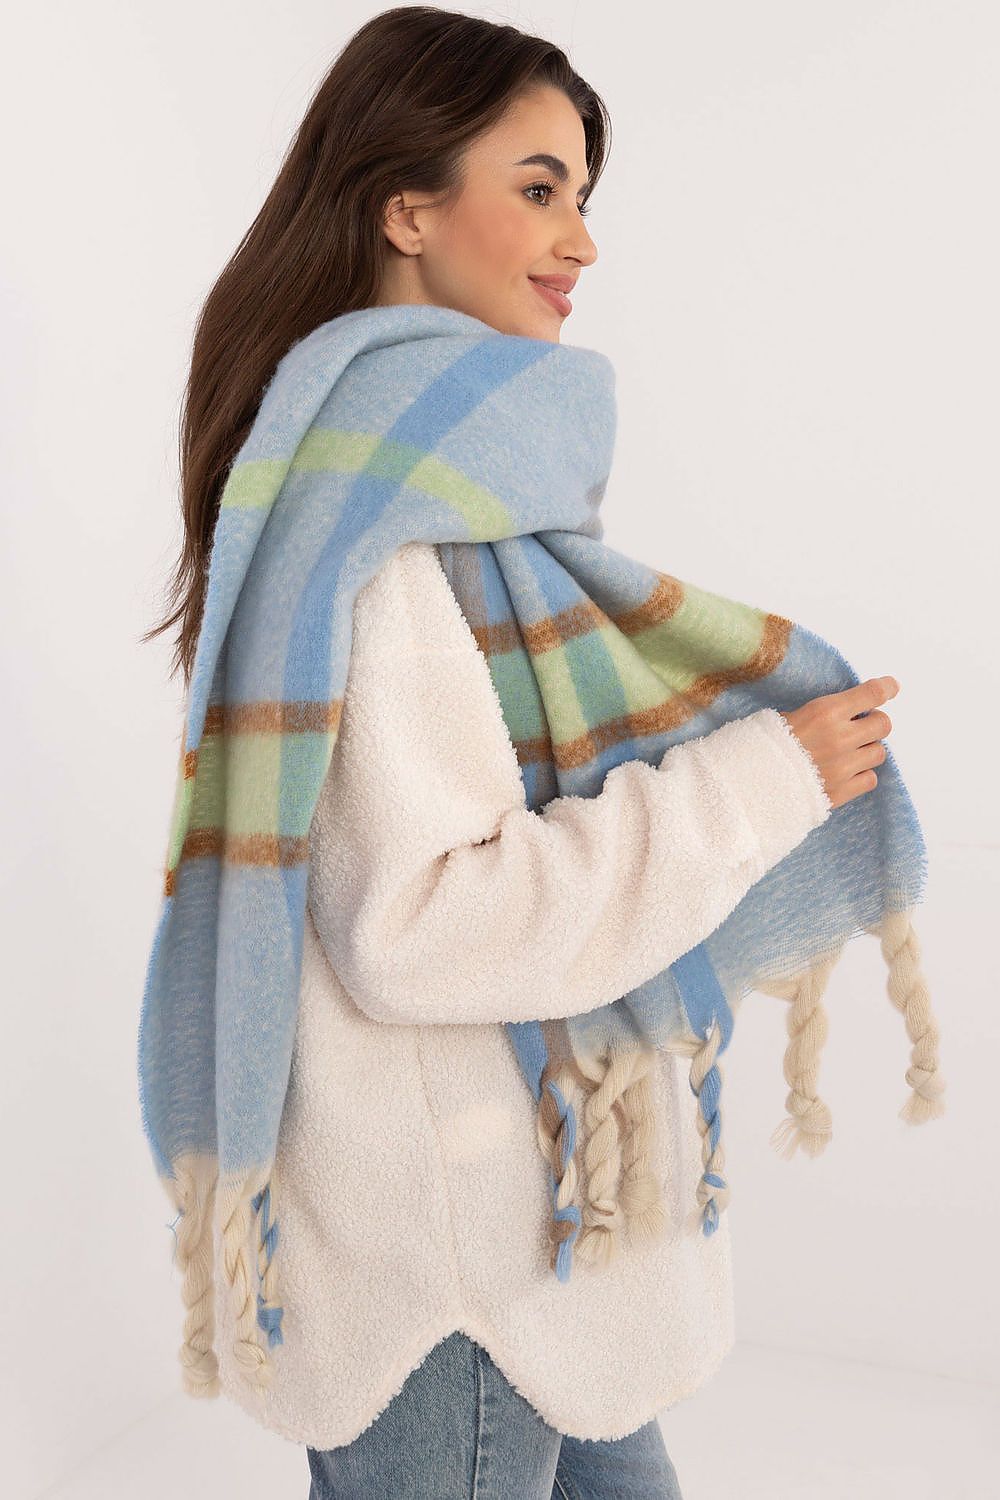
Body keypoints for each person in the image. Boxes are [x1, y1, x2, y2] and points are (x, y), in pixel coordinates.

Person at [143, 9, 899, 1497]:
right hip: (463, 1265)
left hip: (539, 1229)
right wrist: (761, 780)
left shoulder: (401, 493)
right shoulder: (387, 545)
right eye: (539, 187)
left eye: (583, 197)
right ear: (407, 210)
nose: (580, 241)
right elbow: (422, 924)